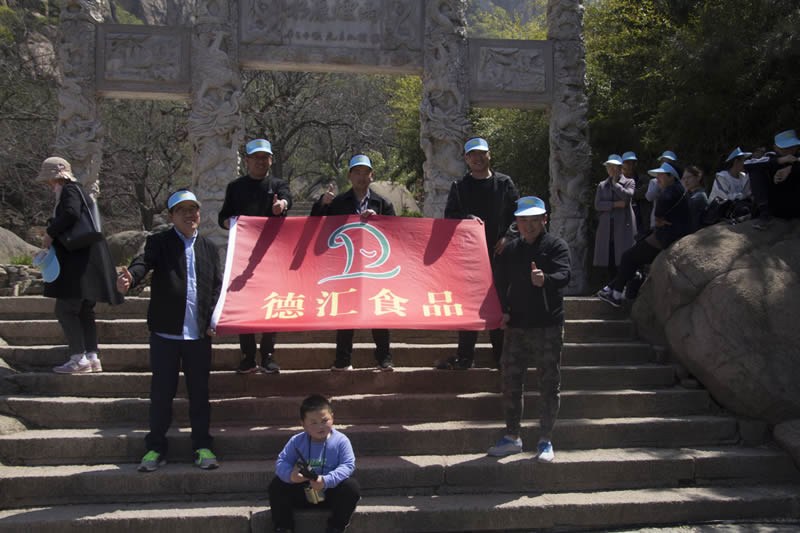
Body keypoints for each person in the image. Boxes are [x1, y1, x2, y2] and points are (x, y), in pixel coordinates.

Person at [117, 190, 222, 472]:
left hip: (198, 336)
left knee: (199, 395)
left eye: (193, 209)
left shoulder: (209, 248)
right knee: (161, 395)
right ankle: (155, 448)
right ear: (171, 216)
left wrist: (213, 319)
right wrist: (131, 277)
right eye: (182, 210)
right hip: (166, 334)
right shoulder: (160, 242)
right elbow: (143, 263)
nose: (190, 215)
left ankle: (202, 446)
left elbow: (216, 287)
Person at [487, 196, 571, 463]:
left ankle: (545, 440)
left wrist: (546, 279)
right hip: (516, 327)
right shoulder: (511, 250)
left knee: (549, 384)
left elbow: (565, 275)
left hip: (548, 326)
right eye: (524, 220)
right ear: (517, 222)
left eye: (535, 220)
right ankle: (512, 436)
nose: (529, 226)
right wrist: (502, 310)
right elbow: (498, 284)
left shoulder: (556, 246)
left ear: (544, 220)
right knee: (511, 382)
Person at [437, 137, 519, 370]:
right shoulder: (459, 186)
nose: (478, 158)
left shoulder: (504, 183)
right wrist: (466, 220)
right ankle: (465, 357)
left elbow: (518, 215)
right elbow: (450, 217)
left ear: (489, 155)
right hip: (470, 258)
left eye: (482, 154)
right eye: (472, 155)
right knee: (469, 306)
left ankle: (501, 358)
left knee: (500, 306)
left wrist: (509, 236)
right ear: (466, 159)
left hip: (500, 255)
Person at [36, 157, 122, 374]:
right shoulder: (81, 191)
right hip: (89, 262)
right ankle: (92, 357)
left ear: (55, 178)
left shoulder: (69, 190)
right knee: (85, 310)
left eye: (48, 180)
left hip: (77, 263)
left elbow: (71, 213)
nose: (48, 184)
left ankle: (78, 358)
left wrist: (50, 233)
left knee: (65, 309)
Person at [310, 155, 395, 371]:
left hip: (375, 268)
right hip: (345, 267)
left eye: (365, 172)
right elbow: (315, 224)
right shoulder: (338, 202)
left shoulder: (382, 203)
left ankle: (384, 358)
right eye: (357, 172)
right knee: (345, 313)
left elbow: (396, 232)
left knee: (378, 313)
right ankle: (343, 360)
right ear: (349, 176)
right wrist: (322, 204)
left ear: (371, 175)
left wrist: (379, 220)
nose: (361, 177)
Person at [218, 138, 291, 374]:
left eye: (264, 157)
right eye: (256, 158)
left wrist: (281, 205)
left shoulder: (278, 184)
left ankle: (268, 354)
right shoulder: (235, 187)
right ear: (247, 160)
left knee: (271, 302)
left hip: (272, 256)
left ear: (271, 160)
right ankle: (248, 355)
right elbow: (223, 217)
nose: (260, 162)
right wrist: (232, 224)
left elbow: (287, 199)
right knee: (244, 303)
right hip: (243, 255)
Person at [597, 162, 689, 308]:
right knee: (634, 260)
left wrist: (659, 219)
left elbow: (659, 212)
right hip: (670, 234)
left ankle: (616, 294)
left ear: (671, 176)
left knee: (628, 257)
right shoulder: (681, 190)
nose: (658, 178)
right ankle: (612, 288)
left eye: (661, 175)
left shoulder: (669, 191)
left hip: (665, 237)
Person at [268, 394, 360, 533]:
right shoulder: (296, 441)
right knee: (277, 485)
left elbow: (348, 465)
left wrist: (325, 480)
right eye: (313, 423)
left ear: (332, 418)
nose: (320, 426)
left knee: (351, 487)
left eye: (324, 420)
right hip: (303, 491)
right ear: (303, 424)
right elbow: (282, 462)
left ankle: (336, 527)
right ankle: (284, 527)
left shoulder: (341, 441)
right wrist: (291, 476)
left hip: (330, 492)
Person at [593, 154, 636, 281]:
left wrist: (615, 185)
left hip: (623, 226)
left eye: (614, 167)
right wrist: (614, 204)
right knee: (609, 256)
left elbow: (627, 198)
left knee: (623, 256)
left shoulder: (629, 182)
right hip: (607, 226)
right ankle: (611, 284)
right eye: (608, 167)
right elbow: (598, 205)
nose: (611, 169)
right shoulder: (602, 185)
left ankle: (622, 285)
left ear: (620, 168)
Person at [746, 129, 800, 230]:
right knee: (756, 170)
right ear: (776, 148)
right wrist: (780, 160)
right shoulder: (770, 158)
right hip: (776, 206)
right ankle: (764, 214)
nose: (791, 150)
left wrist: (791, 168)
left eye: (793, 147)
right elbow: (748, 165)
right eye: (786, 148)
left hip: (796, 205)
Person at [682, 165, 709, 234]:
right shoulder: (688, 194)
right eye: (684, 178)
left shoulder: (699, 197)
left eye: (688, 177)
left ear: (699, 177)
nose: (686, 181)